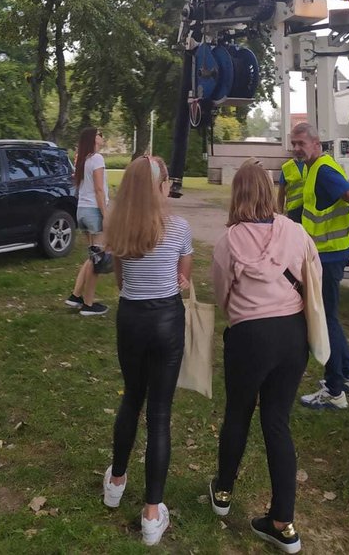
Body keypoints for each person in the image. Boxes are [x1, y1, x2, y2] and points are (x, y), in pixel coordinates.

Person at [210, 159, 321, 555]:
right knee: (277, 422)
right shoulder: (296, 232)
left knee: (238, 413)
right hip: (291, 335)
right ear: (269, 191)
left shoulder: (229, 241)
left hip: (249, 336)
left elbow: (222, 294)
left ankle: (223, 491)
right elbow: (313, 278)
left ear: (237, 193)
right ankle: (283, 523)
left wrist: (242, 315)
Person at [101, 155, 193, 547]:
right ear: (161, 186)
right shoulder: (179, 227)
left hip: (132, 319)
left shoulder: (117, 226)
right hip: (167, 321)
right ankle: (152, 514)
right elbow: (183, 276)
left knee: (131, 400)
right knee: (160, 414)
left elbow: (121, 282)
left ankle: (116, 482)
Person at [289, 122, 349, 411]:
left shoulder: (324, 171)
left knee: (325, 321)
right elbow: (335, 211)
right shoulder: (315, 168)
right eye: (293, 144)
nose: (296, 149)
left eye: (301, 143)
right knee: (329, 318)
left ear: (316, 144)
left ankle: (335, 391)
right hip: (330, 255)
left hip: (327, 259)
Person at [65, 127, 110, 316]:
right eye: (100, 134)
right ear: (93, 139)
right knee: (96, 259)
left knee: (92, 257)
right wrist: (106, 215)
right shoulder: (97, 159)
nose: (102, 137)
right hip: (93, 211)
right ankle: (89, 305)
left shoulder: (83, 159)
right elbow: (99, 189)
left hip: (82, 211)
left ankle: (76, 296)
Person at [277, 153, 308, 223]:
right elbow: (280, 194)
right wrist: (280, 213)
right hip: (293, 210)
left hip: (309, 208)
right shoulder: (286, 167)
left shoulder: (311, 164)